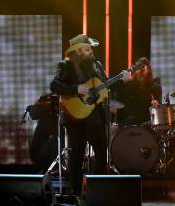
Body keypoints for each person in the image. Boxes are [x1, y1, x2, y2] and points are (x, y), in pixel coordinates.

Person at [49, 34, 129, 196]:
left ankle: (97, 189)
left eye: (90, 49)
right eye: (87, 49)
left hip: (95, 117)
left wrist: (122, 80)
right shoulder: (65, 65)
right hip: (75, 118)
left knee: (101, 149)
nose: (90, 52)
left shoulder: (97, 65)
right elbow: (54, 85)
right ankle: (77, 192)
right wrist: (76, 89)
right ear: (77, 51)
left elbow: (105, 86)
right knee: (76, 154)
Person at [115, 57, 162, 126]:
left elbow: (159, 109)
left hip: (148, 124)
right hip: (131, 124)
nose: (141, 72)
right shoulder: (129, 86)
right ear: (135, 71)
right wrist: (126, 84)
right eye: (138, 69)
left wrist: (157, 105)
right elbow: (121, 101)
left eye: (143, 69)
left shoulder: (155, 87)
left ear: (148, 70)